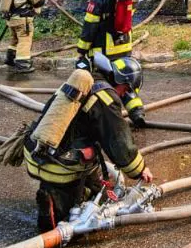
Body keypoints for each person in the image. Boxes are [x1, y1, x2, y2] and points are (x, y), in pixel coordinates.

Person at [20, 60, 153, 234]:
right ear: (123, 84)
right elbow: (119, 143)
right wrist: (139, 169)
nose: (124, 96)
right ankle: (53, 207)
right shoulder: (106, 97)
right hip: (60, 165)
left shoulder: (87, 82)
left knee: (98, 190)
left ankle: (75, 193)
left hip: (35, 153)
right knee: (67, 218)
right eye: (127, 91)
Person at [0, 0, 46, 72]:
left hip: (12, 19)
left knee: (15, 39)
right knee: (25, 41)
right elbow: (39, 2)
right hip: (23, 20)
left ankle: (10, 59)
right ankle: (23, 64)